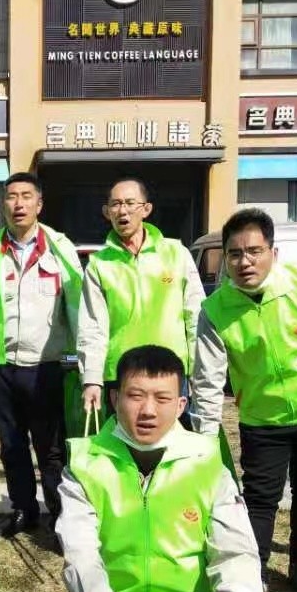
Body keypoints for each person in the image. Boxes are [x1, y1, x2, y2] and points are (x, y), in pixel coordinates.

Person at [58, 345, 267, 592]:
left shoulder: (207, 462)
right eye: (136, 396)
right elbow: (80, 551)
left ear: (181, 403)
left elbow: (236, 553)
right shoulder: (85, 464)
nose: (148, 410)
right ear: (115, 397)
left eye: (163, 398)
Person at [192, 208, 297, 592]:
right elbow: (207, 379)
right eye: (234, 254)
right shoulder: (215, 310)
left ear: (273, 252)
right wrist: (203, 436)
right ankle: (255, 573)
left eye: (254, 251)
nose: (245, 261)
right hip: (261, 419)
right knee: (260, 499)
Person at [0, 172, 80, 540]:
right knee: (11, 446)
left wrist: (82, 359)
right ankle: (24, 509)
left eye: (27, 196)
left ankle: (60, 515)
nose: (19, 203)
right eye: (11, 196)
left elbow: (77, 307)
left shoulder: (60, 248)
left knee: (51, 449)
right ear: (4, 204)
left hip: (46, 367)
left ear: (39, 204)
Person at [78, 178, 204, 419]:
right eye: (115, 204)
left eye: (129, 203)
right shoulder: (99, 265)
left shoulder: (176, 253)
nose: (122, 211)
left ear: (146, 209)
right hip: (121, 375)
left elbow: (196, 316)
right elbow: (92, 327)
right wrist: (92, 379)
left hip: (172, 373)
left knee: (173, 447)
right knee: (123, 449)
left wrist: (200, 372)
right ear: (106, 212)